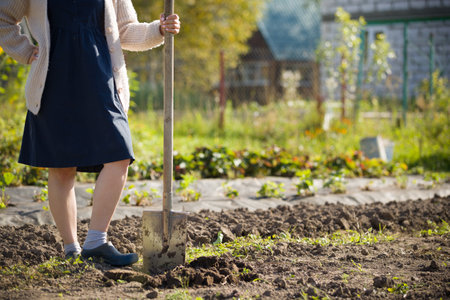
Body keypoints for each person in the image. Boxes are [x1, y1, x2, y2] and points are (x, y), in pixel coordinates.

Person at [0, 0, 180, 266]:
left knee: (119, 154)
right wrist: (25, 51)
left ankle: (96, 241)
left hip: (101, 79)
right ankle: (71, 249)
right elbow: (3, 17)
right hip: (53, 82)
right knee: (61, 167)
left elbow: (126, 30)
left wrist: (159, 29)